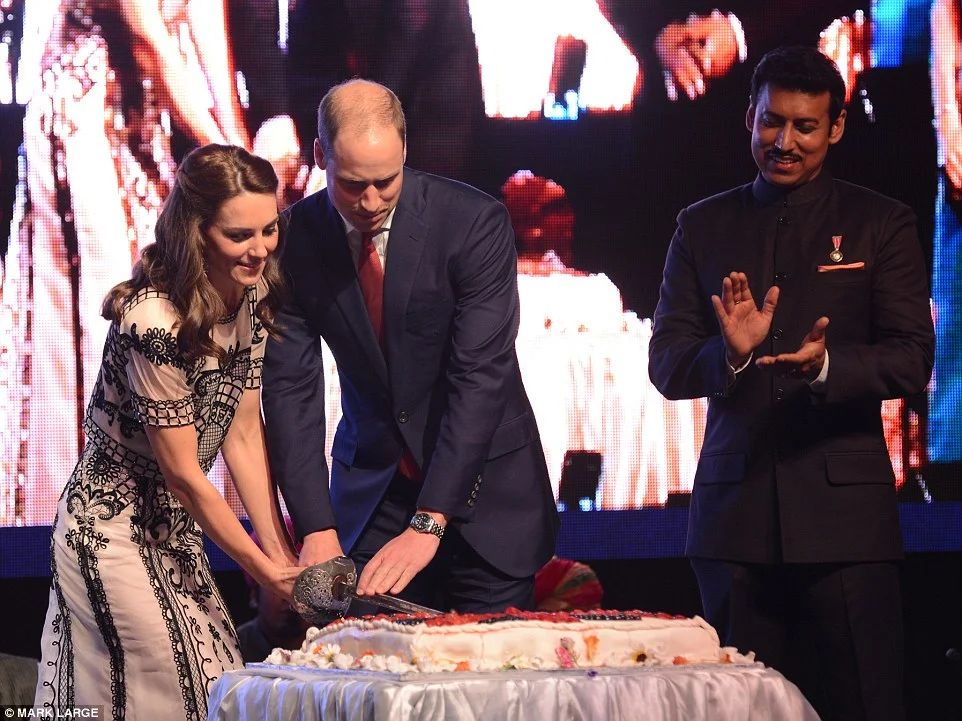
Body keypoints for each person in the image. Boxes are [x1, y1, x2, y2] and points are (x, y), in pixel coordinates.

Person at [647, 46, 934, 721]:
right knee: (738, 710)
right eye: (771, 122)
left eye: (805, 126)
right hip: (732, 525)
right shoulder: (701, 224)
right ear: (748, 118)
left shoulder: (881, 222)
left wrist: (827, 368)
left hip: (847, 530)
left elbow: (911, 358)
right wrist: (732, 355)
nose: (785, 141)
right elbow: (666, 364)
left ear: (835, 128)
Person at [262, 79, 559, 613]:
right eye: (352, 185)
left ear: (406, 151)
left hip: (485, 497)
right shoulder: (293, 240)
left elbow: (479, 378)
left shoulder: (473, 224)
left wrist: (431, 520)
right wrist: (317, 527)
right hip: (375, 495)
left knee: (488, 682)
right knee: (373, 680)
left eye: (385, 181)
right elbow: (289, 389)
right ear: (319, 156)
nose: (371, 202)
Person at [34, 144, 301, 720]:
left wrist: (280, 554)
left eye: (269, 230)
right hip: (109, 534)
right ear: (196, 231)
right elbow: (183, 474)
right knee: (173, 695)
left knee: (215, 687)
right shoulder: (154, 321)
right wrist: (265, 570)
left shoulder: (249, 294)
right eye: (240, 235)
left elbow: (243, 433)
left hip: (175, 532)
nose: (260, 251)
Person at [10, 0, 251, 525]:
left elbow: (210, 32)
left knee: (174, 311)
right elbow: (147, 40)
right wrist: (232, 173)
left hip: (160, 118)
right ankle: (93, 520)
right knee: (113, 312)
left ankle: (183, 517)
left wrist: (242, 152)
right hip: (88, 114)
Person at [235, 518, 310, 664]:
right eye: (279, 586)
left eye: (302, 585)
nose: (290, 597)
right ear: (254, 595)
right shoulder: (232, 648)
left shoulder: (335, 645)